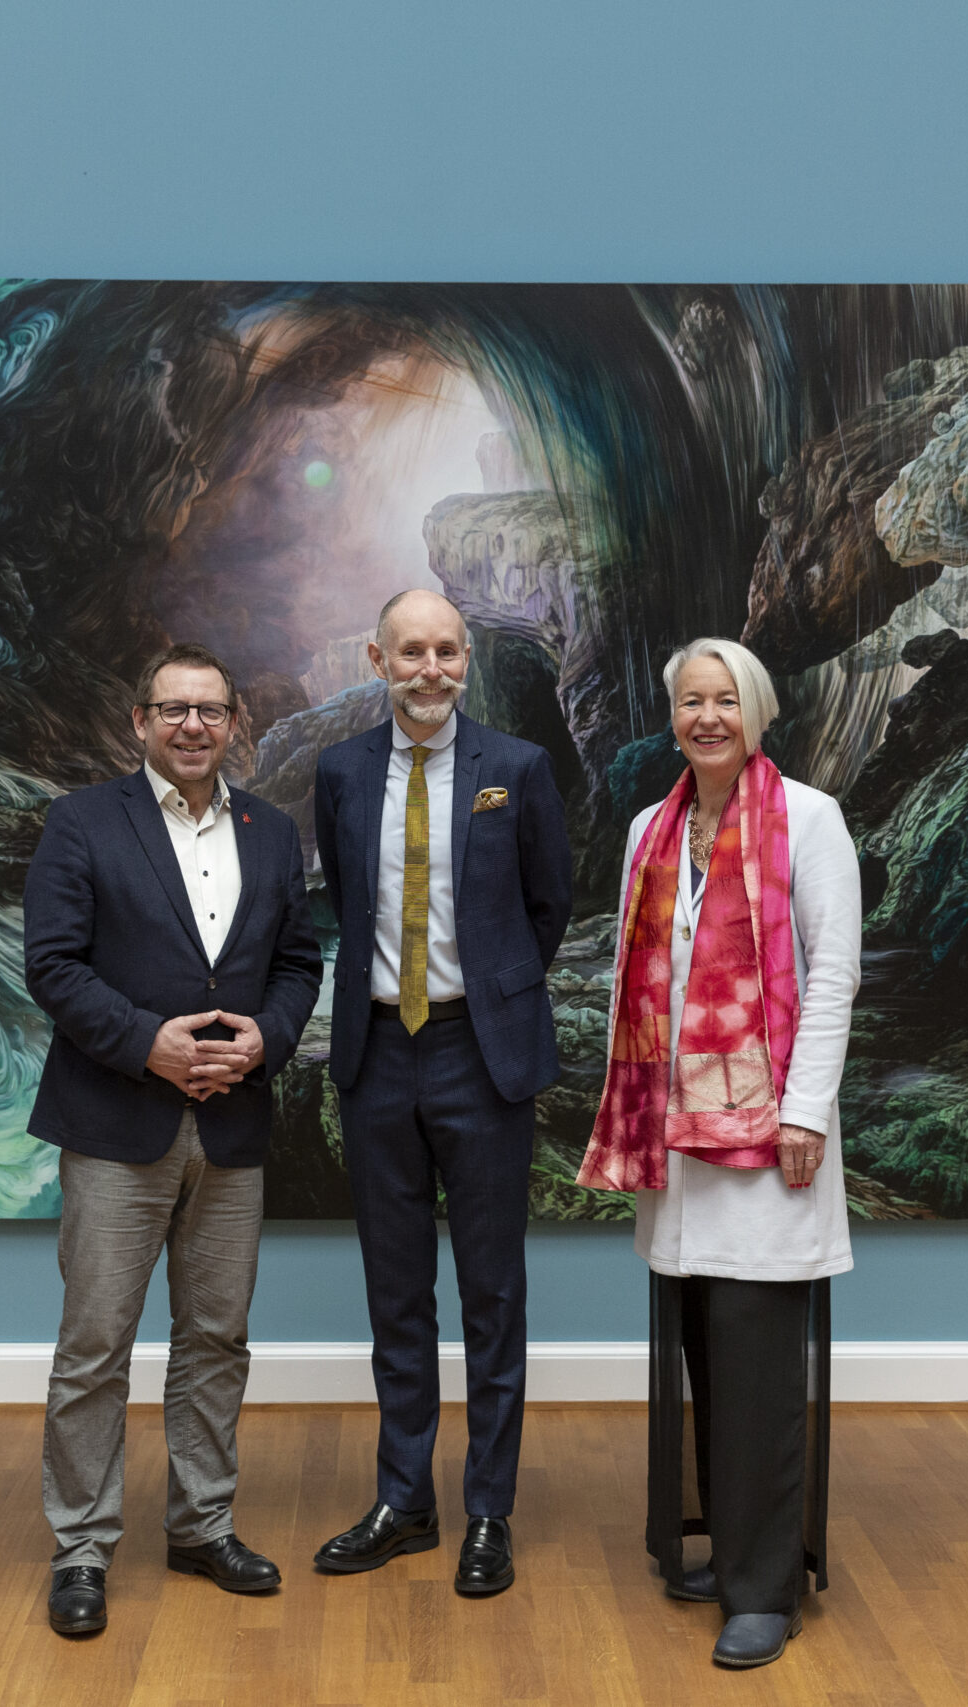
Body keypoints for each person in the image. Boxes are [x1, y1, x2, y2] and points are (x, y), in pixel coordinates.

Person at [21, 642, 325, 1637]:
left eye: (209, 710)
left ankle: (201, 1526)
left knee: (215, 1339)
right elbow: (53, 965)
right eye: (173, 709)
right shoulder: (82, 822)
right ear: (141, 722)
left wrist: (268, 1037)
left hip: (232, 1126)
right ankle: (81, 1546)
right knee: (95, 1344)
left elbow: (298, 963)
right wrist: (145, 1043)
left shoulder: (271, 832)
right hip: (116, 1124)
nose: (192, 725)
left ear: (234, 722)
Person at [575, 636, 859, 1670]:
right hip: (679, 1137)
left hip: (770, 1137)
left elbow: (833, 974)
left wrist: (805, 1112)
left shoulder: (811, 820)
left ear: (758, 713)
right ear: (673, 718)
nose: (707, 718)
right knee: (703, 1346)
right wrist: (634, 1102)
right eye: (691, 701)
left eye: (725, 701)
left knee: (759, 1364)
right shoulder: (649, 830)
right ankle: (728, 1550)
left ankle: (764, 1588)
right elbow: (634, 976)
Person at [309, 588, 571, 1598]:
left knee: (493, 1294)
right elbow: (347, 900)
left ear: (466, 660)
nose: (431, 670)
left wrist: (493, 992)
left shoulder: (519, 768)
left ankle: (489, 1510)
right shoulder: (340, 771)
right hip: (377, 1054)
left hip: (481, 1054)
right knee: (397, 1293)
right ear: (378, 659)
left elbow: (548, 906)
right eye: (412, 652)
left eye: (448, 652)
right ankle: (404, 1501)